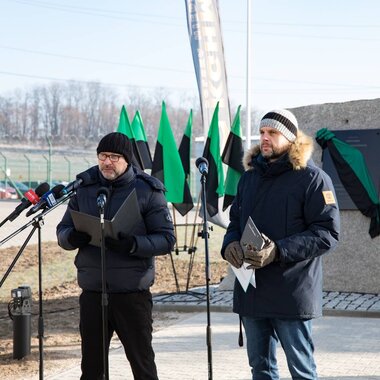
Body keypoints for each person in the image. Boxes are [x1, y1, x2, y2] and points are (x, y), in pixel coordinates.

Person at [221, 109, 340, 380]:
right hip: (252, 291)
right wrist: (229, 245)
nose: (264, 138)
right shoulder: (249, 178)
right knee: (260, 369)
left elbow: (327, 234)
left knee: (302, 371)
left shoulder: (313, 179)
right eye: (262, 132)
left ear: (290, 138)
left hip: (292, 292)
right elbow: (235, 221)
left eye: (272, 133)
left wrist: (277, 250)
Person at [56, 132, 175, 380]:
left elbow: (166, 239)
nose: (107, 162)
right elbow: (62, 230)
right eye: (102, 156)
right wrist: (70, 238)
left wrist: (133, 244)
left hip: (131, 294)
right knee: (91, 369)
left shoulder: (147, 190)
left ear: (127, 160)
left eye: (114, 157)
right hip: (92, 292)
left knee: (142, 365)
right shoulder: (84, 188)